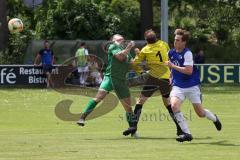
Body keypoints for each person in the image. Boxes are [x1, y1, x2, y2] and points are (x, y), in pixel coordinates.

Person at [165, 29, 222, 142]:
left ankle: (214, 118)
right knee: (174, 106)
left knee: (200, 113)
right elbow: (171, 67)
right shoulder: (171, 52)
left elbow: (189, 71)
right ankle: (187, 133)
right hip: (178, 86)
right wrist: (171, 76)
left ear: (184, 42)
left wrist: (172, 66)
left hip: (192, 86)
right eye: (175, 40)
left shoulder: (187, 54)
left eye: (178, 40)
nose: (175, 42)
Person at [123, 29, 183, 137]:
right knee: (167, 104)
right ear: (156, 38)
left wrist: (138, 57)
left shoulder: (145, 50)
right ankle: (180, 129)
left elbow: (135, 64)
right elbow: (168, 56)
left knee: (140, 101)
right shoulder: (163, 44)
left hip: (154, 78)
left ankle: (133, 127)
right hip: (166, 77)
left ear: (146, 40)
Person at [77, 34, 137, 135]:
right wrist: (129, 47)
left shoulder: (127, 51)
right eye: (119, 39)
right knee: (98, 98)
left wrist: (139, 58)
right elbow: (120, 57)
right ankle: (82, 118)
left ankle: (132, 129)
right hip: (110, 78)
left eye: (123, 38)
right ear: (113, 41)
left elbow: (132, 64)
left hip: (121, 80)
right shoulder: (112, 47)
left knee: (128, 107)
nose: (122, 40)